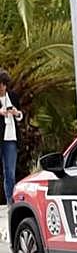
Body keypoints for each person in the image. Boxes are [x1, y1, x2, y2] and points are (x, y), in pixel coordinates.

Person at [0, 71, 23, 206]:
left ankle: (11, 202)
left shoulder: (13, 97)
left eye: (3, 84)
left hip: (11, 139)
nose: (1, 87)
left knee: (10, 172)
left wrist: (16, 112)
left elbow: (20, 116)